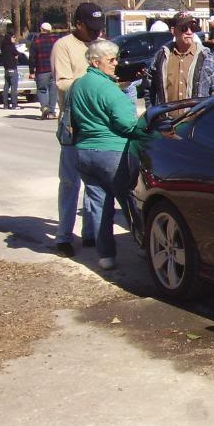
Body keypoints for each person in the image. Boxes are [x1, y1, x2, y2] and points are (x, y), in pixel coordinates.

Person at [70, 39, 149, 271]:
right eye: (111, 59)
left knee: (98, 205)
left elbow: (72, 118)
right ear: (96, 62)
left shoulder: (78, 85)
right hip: (112, 152)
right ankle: (146, 244)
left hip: (84, 152)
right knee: (130, 202)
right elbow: (127, 124)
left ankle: (105, 255)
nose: (116, 63)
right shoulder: (108, 89)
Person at [52, 2, 105, 257]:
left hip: (97, 123)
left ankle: (90, 232)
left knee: (94, 181)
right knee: (70, 181)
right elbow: (62, 83)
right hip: (73, 123)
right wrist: (91, 83)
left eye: (99, 28)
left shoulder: (100, 45)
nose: (96, 33)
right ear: (78, 24)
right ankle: (63, 235)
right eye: (91, 28)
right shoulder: (64, 46)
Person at [145, 13, 214, 107]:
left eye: (193, 28)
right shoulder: (161, 57)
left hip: (197, 121)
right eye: (184, 28)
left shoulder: (207, 59)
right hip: (165, 120)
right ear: (173, 31)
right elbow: (149, 90)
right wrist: (153, 114)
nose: (189, 32)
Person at [29, 22, 60, 119]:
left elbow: (32, 58)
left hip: (41, 70)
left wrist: (31, 71)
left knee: (42, 90)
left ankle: (45, 107)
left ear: (41, 29)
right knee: (53, 91)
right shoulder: (56, 40)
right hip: (54, 69)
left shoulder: (36, 41)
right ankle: (52, 112)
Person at [0, 26, 21, 110]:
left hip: (6, 69)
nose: (14, 39)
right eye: (14, 37)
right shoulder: (11, 46)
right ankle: (14, 104)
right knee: (14, 87)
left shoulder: (3, 47)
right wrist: (17, 55)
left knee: (6, 87)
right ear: (10, 37)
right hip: (12, 68)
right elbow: (17, 53)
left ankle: (5, 104)